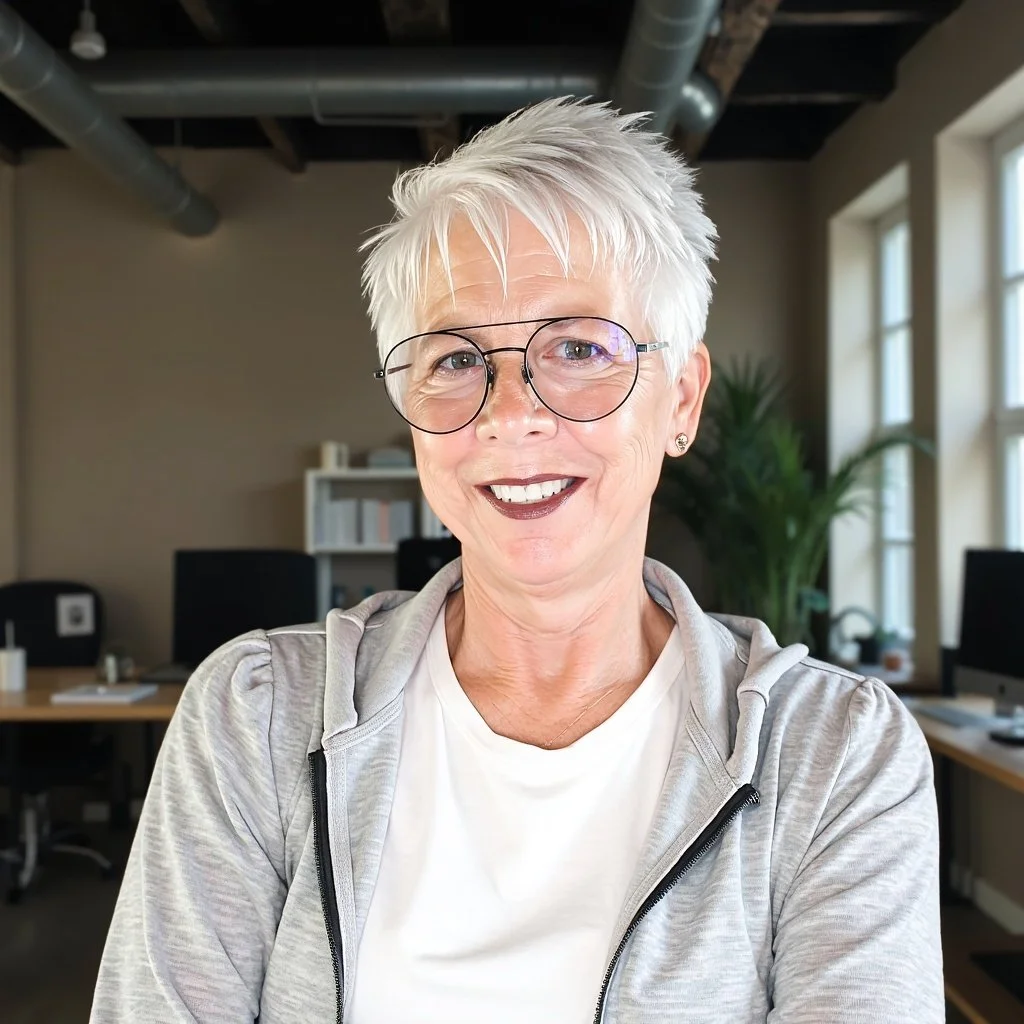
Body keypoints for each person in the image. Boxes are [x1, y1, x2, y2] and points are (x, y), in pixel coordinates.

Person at [91, 98, 943, 1024]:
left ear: (681, 402)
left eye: (579, 346)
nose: (511, 415)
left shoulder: (833, 755)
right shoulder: (254, 720)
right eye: (454, 360)